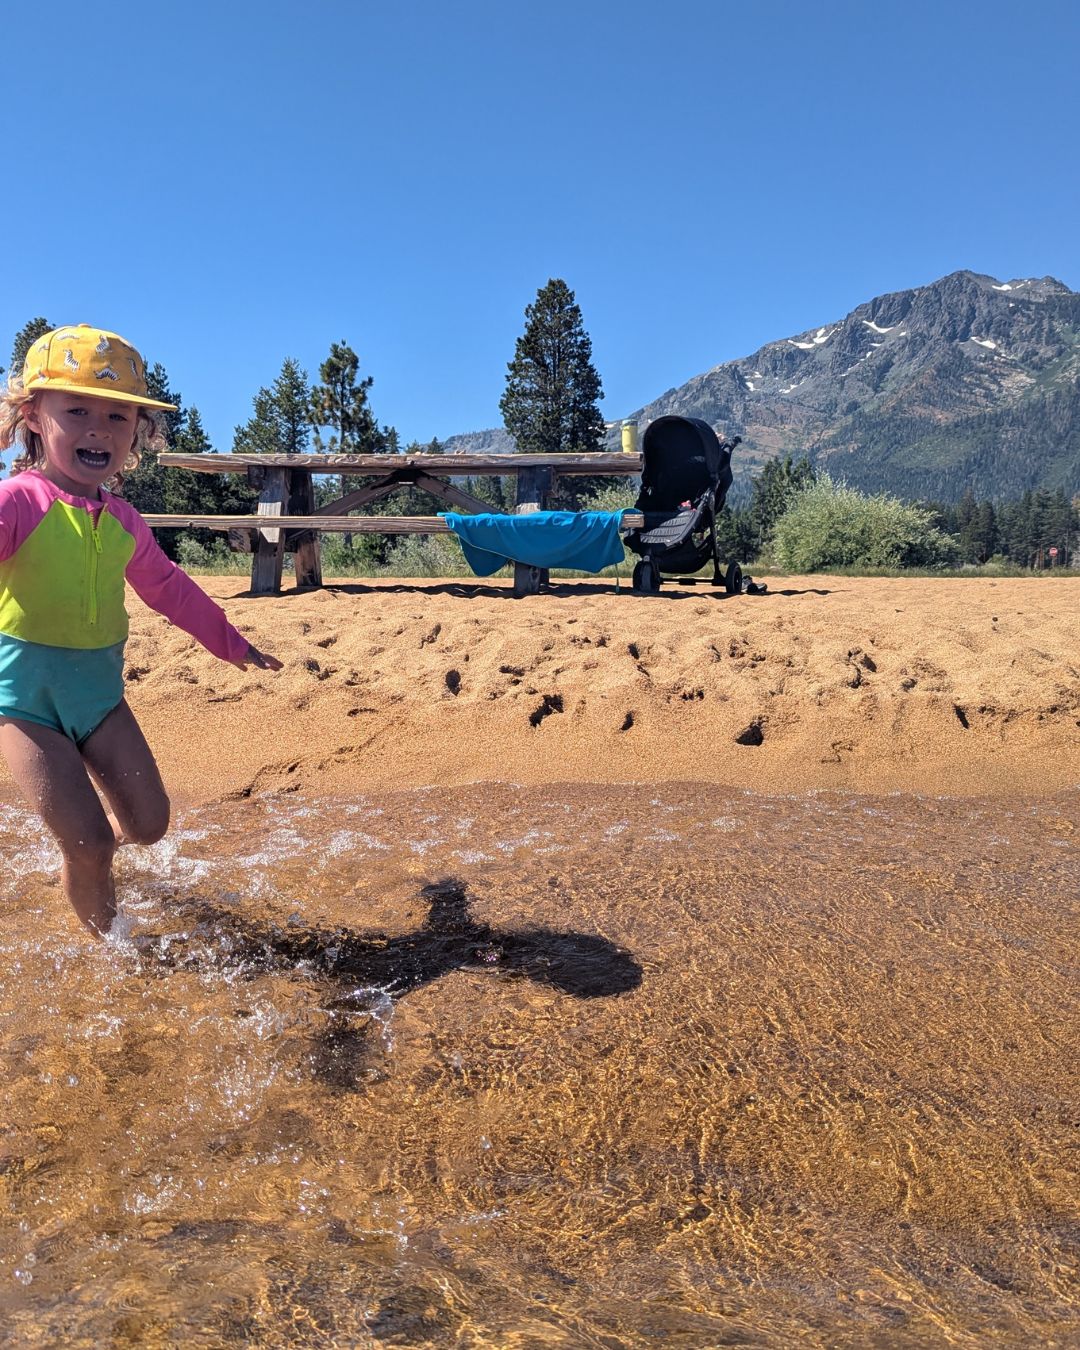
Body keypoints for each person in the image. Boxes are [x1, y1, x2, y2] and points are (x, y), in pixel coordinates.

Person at [0, 324, 283, 937]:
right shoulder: (16, 502)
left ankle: (85, 861)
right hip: (23, 707)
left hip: (99, 700)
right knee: (93, 845)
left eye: (118, 416)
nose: (98, 428)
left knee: (150, 826)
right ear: (32, 416)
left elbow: (168, 589)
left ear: (136, 433)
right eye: (76, 410)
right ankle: (114, 951)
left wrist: (230, 642)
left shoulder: (125, 521)